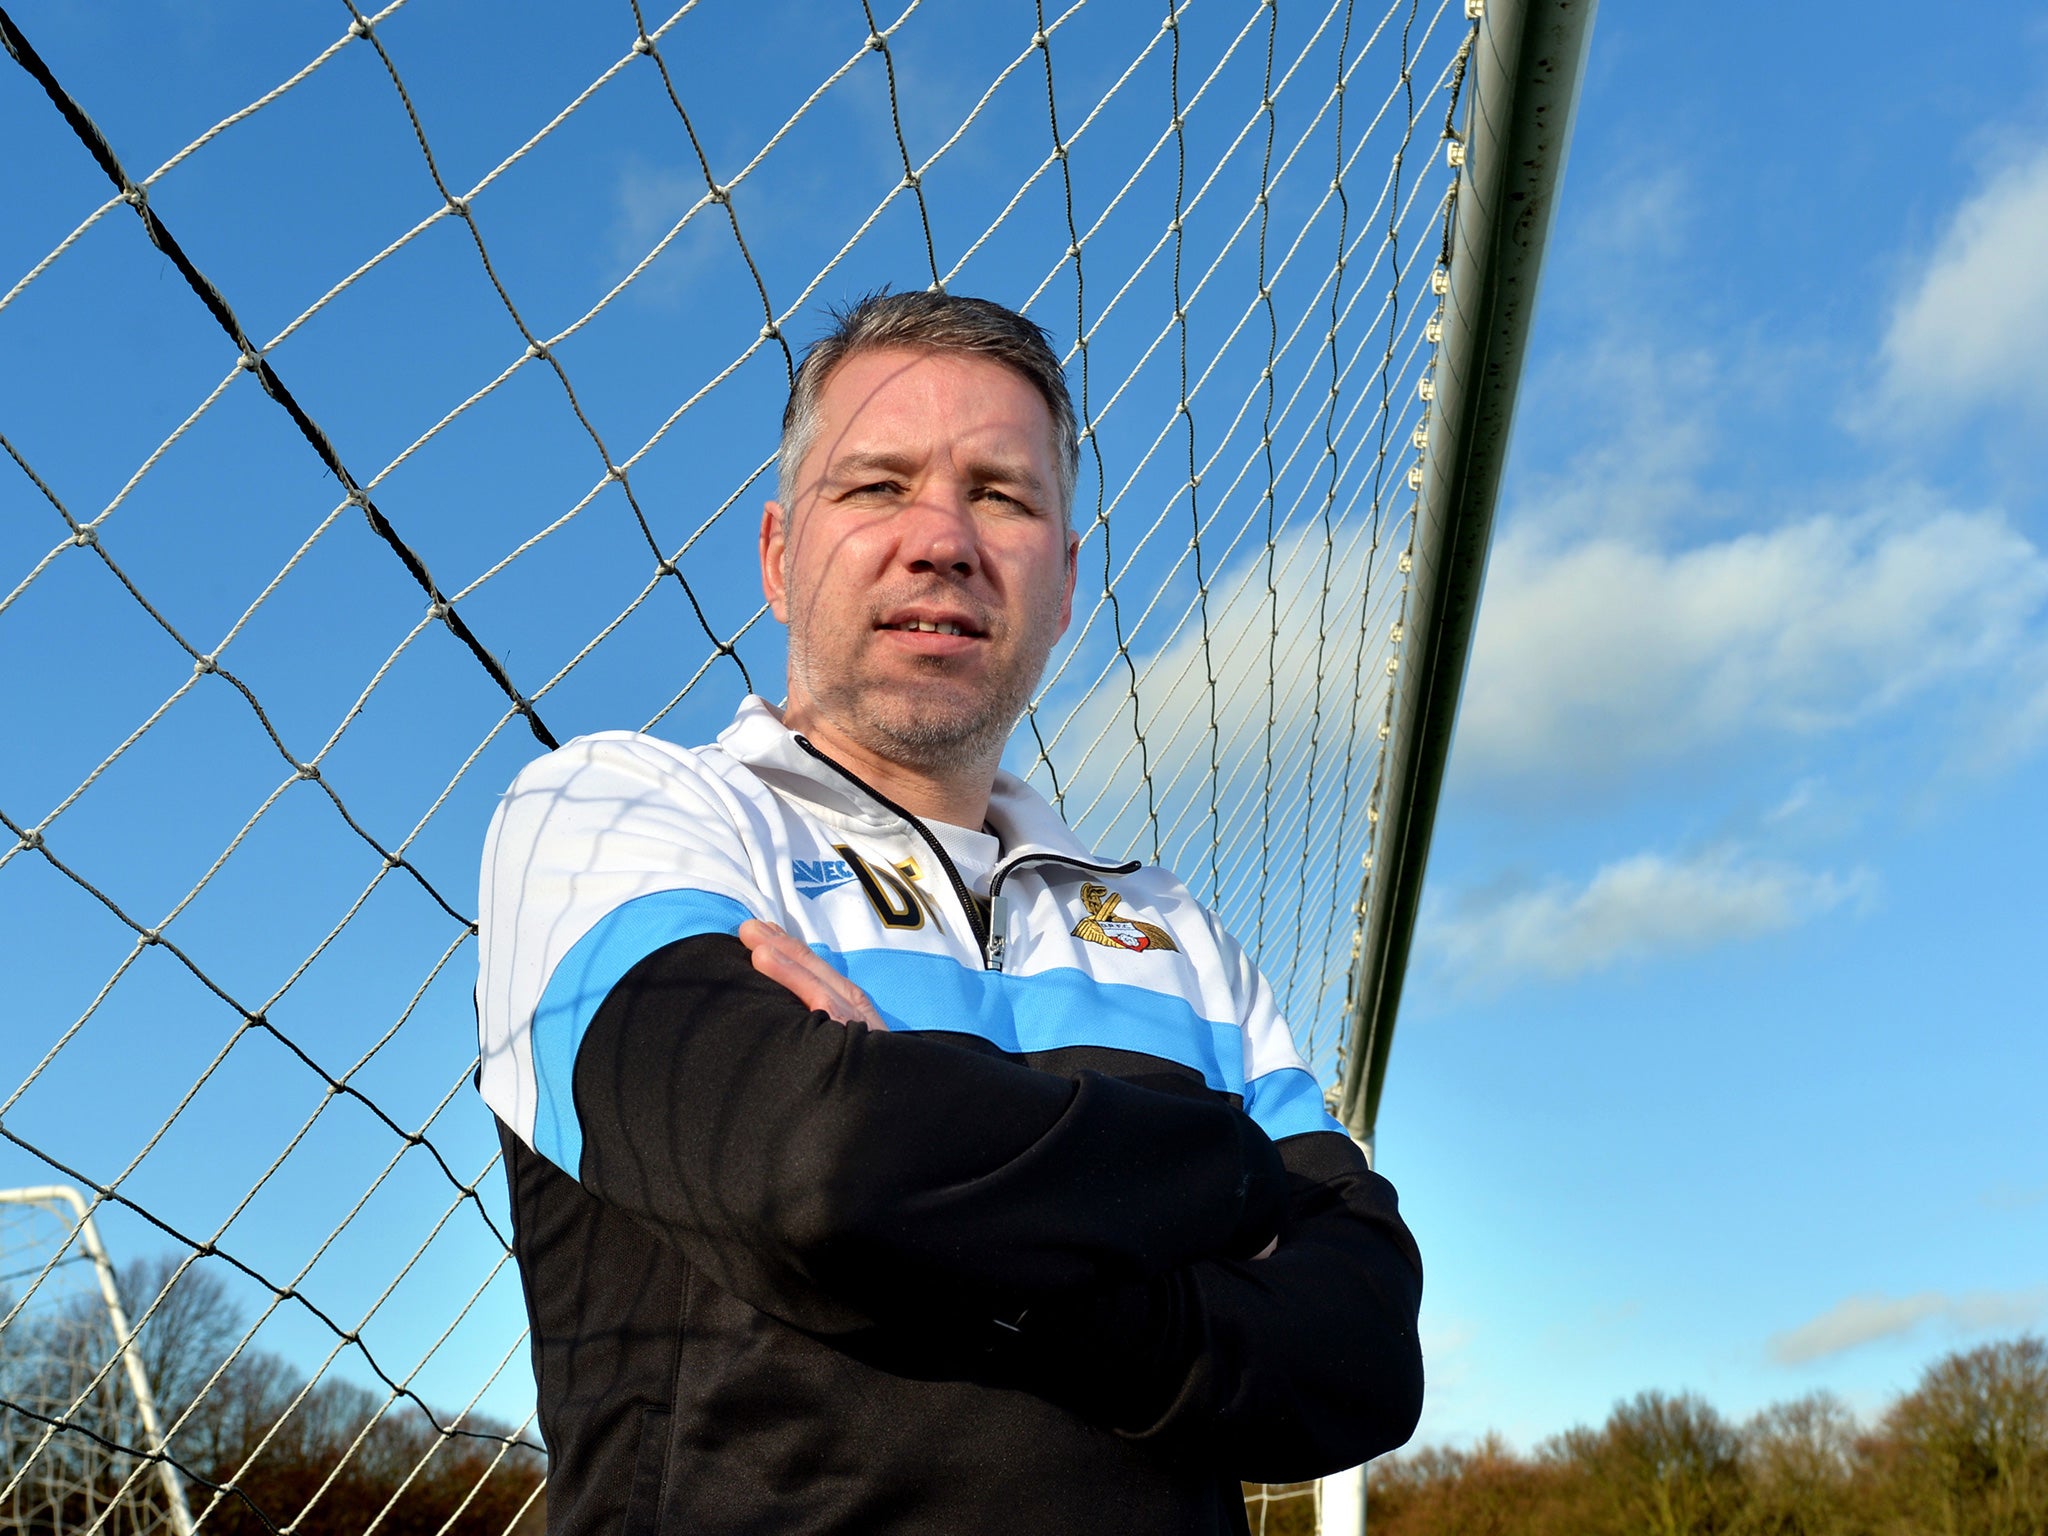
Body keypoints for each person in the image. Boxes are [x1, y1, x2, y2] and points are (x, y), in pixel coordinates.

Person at [475, 291, 1422, 1535]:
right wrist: (1235, 1183)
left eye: (1001, 494)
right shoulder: (613, 811)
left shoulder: (1173, 935)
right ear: (775, 553)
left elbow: (1360, 1357)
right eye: (876, 486)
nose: (941, 539)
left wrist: (917, 1174)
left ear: (1066, 579)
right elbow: (812, 1170)